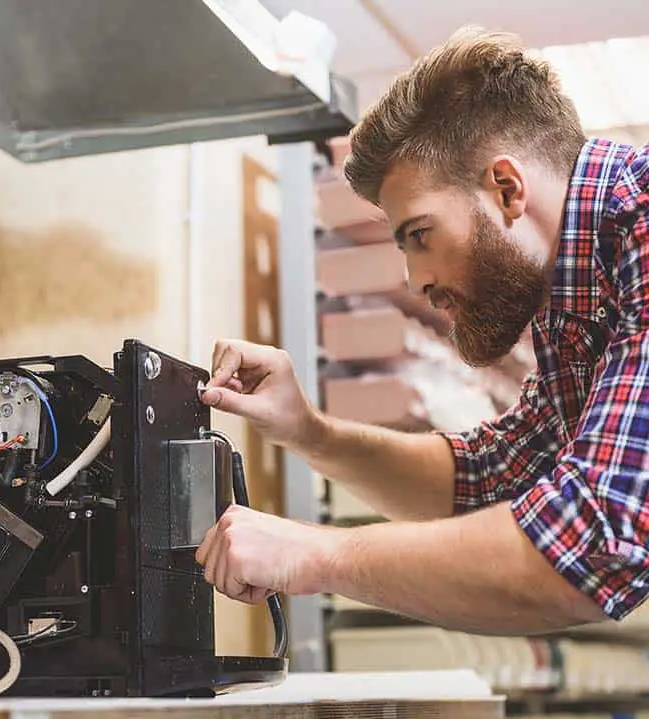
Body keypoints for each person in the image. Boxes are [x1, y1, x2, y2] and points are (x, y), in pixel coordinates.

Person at [194, 25, 649, 635]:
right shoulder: (576, 304)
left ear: (507, 189)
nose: (414, 279)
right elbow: (487, 479)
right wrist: (308, 431)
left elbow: (593, 540)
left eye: (419, 235)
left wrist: (315, 555)